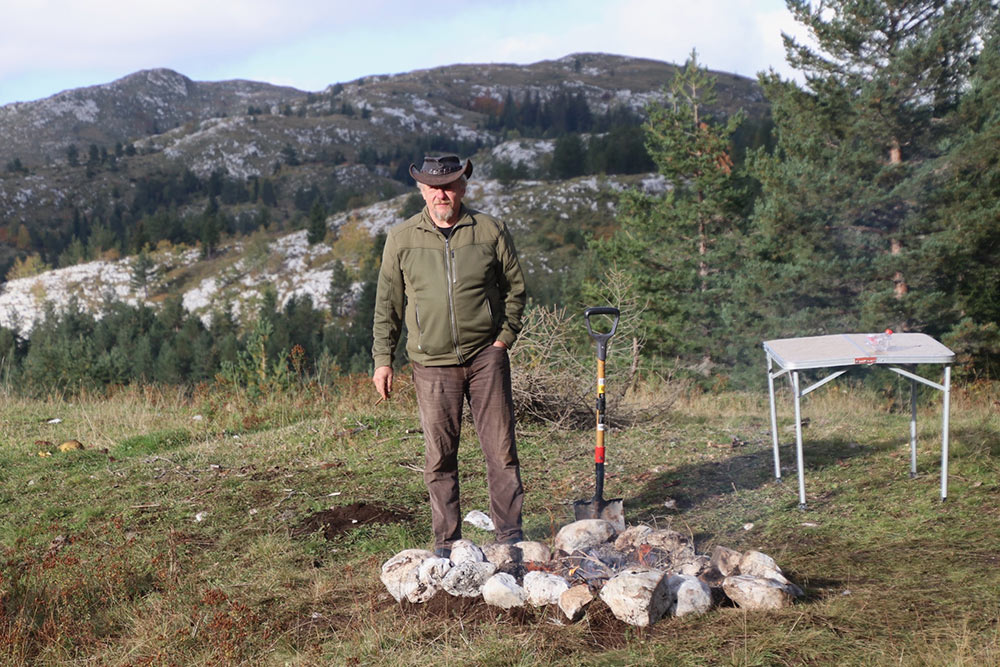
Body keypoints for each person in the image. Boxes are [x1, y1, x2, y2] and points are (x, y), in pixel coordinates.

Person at [372, 154, 527, 558]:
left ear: (462, 187)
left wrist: (503, 339)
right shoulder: (402, 238)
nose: (442, 194)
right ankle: (447, 545)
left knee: (501, 451)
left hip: (486, 357)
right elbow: (387, 304)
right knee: (440, 457)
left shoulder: (490, 230)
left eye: (449, 186)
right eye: (434, 187)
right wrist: (383, 359)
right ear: (421, 190)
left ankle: (510, 539)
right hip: (431, 364)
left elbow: (515, 289)